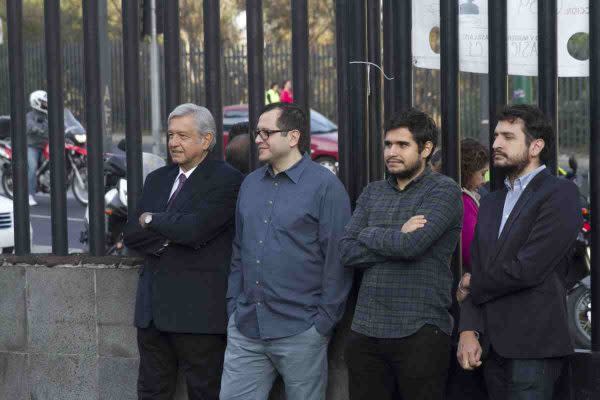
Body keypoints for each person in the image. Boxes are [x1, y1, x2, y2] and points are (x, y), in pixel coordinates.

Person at [221, 102, 352, 400]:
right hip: (246, 328)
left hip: (301, 331)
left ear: (293, 137)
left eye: (266, 132)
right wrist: (233, 306)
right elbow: (239, 251)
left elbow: (338, 259)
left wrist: (322, 324)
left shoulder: (325, 187)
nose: (257, 139)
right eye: (257, 132)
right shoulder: (250, 184)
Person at [457, 104, 582, 400]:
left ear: (536, 146)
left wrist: (472, 284)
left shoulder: (560, 194)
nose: (496, 144)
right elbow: (478, 265)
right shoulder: (489, 202)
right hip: (487, 350)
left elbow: (528, 268)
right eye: (496, 135)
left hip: (533, 348)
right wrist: (468, 330)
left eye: (508, 137)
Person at [340, 108, 463, 400]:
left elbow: (412, 246)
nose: (392, 152)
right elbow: (346, 251)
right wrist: (396, 232)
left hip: (420, 330)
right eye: (388, 144)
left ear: (426, 149)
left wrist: (369, 233)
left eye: (402, 145)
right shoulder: (372, 193)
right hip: (366, 330)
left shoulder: (443, 191)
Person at [123, 103, 243, 400]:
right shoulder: (157, 179)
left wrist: (153, 220)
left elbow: (195, 229)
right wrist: (169, 236)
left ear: (206, 140)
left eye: (183, 136)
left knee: (204, 392)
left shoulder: (226, 179)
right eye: (171, 135)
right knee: (151, 392)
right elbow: (131, 233)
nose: (173, 142)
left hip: (198, 315)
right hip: (152, 313)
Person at [447, 139, 489, 400]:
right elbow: (473, 248)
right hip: (462, 291)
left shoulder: (466, 198)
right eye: (481, 173)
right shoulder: (463, 201)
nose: (484, 180)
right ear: (468, 170)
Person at [26, 90, 49, 206]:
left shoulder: (47, 116)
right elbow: (29, 126)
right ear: (36, 102)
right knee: (33, 167)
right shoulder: (30, 116)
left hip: (46, 146)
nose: (46, 105)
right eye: (44, 103)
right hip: (32, 147)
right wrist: (37, 129)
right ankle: (29, 195)